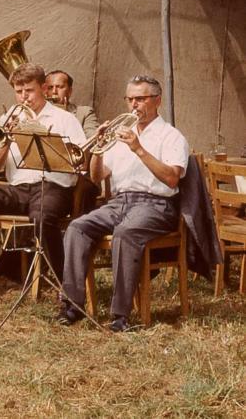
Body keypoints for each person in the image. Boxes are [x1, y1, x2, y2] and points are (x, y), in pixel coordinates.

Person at [58, 75, 189, 332]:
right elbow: (97, 178)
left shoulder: (171, 136)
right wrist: (96, 148)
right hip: (118, 203)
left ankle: (120, 316)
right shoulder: (121, 135)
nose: (133, 105)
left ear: (157, 101)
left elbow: (172, 179)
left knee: (125, 233)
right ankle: (73, 305)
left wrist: (139, 149)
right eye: (130, 99)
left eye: (140, 99)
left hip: (156, 205)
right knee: (77, 227)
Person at [0, 63, 86, 294]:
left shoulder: (65, 119)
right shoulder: (8, 118)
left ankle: (62, 282)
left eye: (29, 90)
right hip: (18, 188)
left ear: (44, 88)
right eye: (19, 91)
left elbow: (80, 162)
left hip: (53, 187)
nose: (24, 97)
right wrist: (6, 139)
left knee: (42, 216)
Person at [45, 70, 100, 138]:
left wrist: (97, 135)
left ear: (70, 91)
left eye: (60, 87)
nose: (54, 92)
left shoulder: (84, 113)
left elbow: (91, 135)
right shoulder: (38, 114)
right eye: (50, 88)